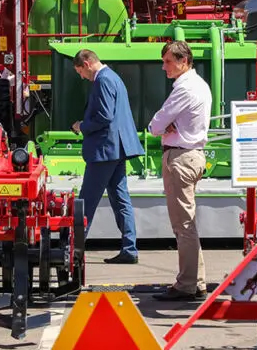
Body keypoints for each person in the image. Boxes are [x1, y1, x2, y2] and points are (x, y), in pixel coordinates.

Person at [147, 41, 212, 301]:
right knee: (188, 224)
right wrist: (167, 124)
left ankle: (186, 285)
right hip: (192, 155)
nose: (164, 67)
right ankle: (196, 281)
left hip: (180, 157)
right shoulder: (200, 85)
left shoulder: (184, 88)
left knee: (183, 226)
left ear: (183, 61)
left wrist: (164, 126)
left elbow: (155, 125)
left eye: (168, 62)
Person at [72, 49, 144, 264]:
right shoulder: (113, 77)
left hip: (104, 151)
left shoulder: (102, 80)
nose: (82, 77)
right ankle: (129, 248)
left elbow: (104, 116)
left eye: (80, 72)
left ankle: (74, 250)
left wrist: (82, 126)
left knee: (86, 201)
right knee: (121, 199)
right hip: (117, 149)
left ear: (86, 63)